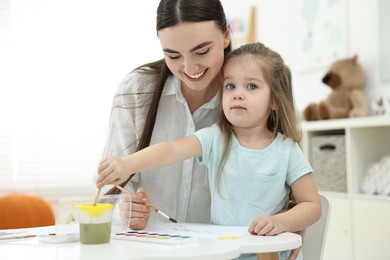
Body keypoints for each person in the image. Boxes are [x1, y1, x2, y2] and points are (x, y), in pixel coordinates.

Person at [97, 42, 322, 260]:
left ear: (274, 100)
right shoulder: (215, 138)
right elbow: (171, 150)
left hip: (270, 256)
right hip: (225, 253)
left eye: (251, 86)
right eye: (230, 86)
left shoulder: (287, 150)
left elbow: (311, 205)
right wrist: (127, 165)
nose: (238, 94)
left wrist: (283, 222)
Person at [101, 0, 231, 231]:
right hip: (149, 248)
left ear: (226, 35)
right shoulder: (137, 90)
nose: (190, 68)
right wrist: (126, 208)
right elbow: (110, 188)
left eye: (202, 51)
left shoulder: (252, 93)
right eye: (173, 56)